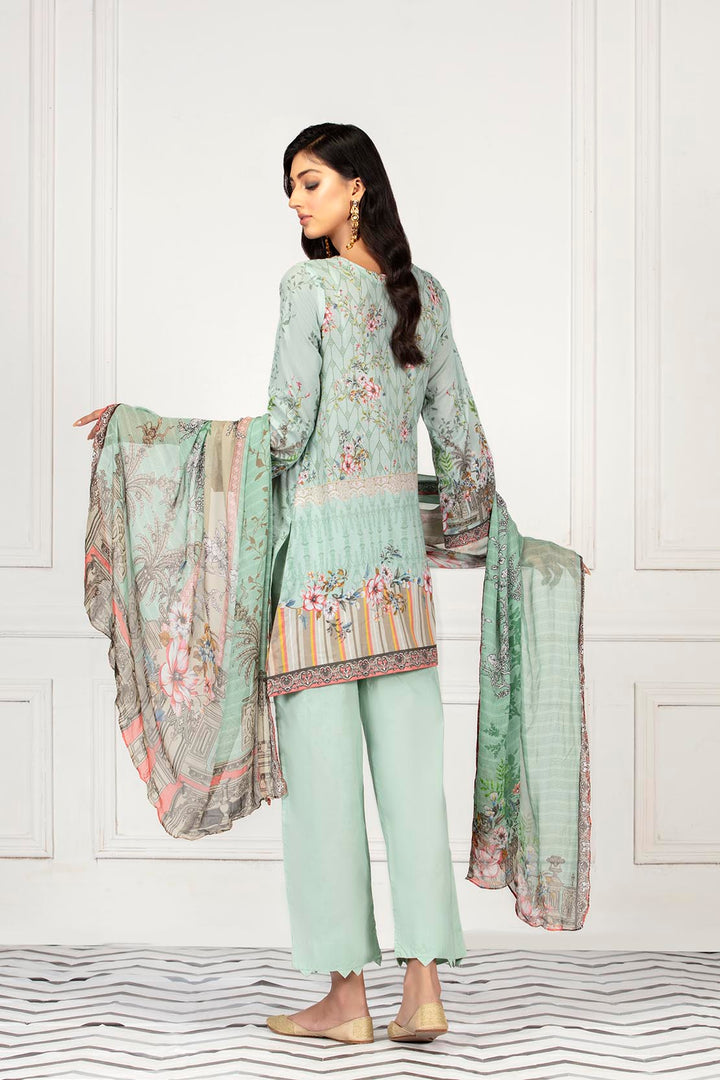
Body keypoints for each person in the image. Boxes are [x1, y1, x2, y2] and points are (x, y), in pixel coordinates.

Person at [74, 121, 495, 1046]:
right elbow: (460, 433)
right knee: (413, 787)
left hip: (314, 587)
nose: (296, 202)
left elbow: (286, 431)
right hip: (399, 590)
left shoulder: (308, 289)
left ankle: (347, 1002)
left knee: (326, 794)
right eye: (291, 188)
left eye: (310, 183)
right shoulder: (425, 296)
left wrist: (150, 437)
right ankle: (424, 990)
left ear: (356, 188)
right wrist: (479, 537)